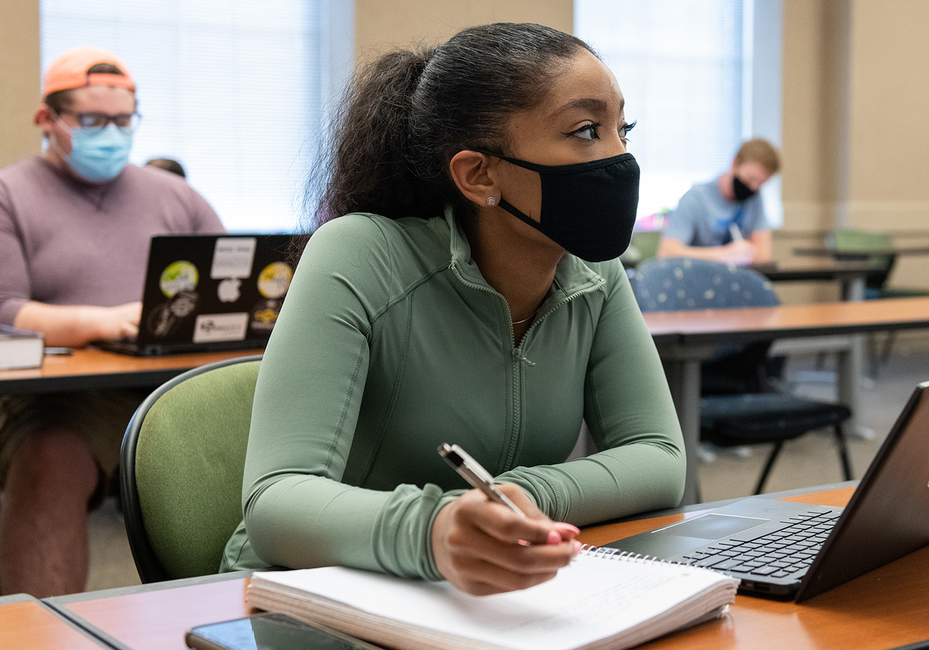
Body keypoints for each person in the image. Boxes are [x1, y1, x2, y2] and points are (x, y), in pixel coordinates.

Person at [219, 23, 685, 596]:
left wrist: (519, 499)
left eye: (622, 129)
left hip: (478, 594)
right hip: (304, 594)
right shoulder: (359, 253)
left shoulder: (594, 272)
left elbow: (659, 458)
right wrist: (436, 530)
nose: (620, 157)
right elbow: (276, 503)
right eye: (587, 131)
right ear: (478, 174)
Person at [0, 47, 224, 597]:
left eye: (124, 121)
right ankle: (37, 629)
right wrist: (103, 321)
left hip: (180, 381)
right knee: (49, 459)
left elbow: (231, 284)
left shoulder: (176, 197)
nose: (112, 134)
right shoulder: (11, 195)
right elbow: (6, 311)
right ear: (47, 119)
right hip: (67, 399)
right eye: (93, 120)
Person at [657, 138, 780, 264]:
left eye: (760, 183)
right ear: (734, 163)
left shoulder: (754, 199)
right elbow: (667, 253)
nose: (753, 187)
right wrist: (723, 255)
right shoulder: (695, 199)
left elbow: (763, 255)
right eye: (750, 179)